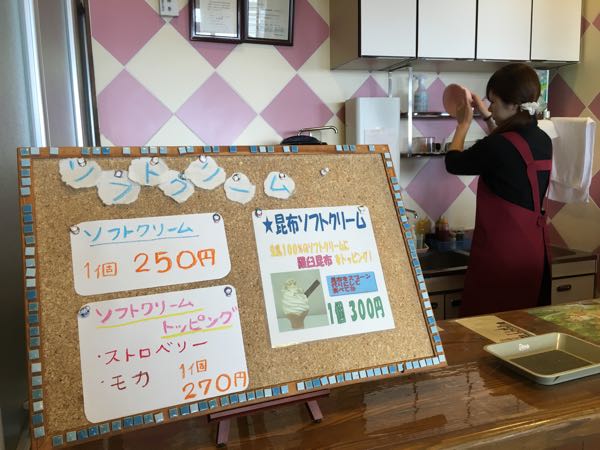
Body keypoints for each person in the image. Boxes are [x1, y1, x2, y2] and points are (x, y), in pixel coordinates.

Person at [445, 63, 552, 317]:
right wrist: (486, 116)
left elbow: (453, 162)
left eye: (493, 102)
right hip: (533, 253)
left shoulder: (498, 145)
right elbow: (508, 148)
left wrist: (463, 124)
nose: (490, 107)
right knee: (525, 326)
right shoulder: (543, 140)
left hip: (501, 256)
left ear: (513, 105)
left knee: (489, 328)